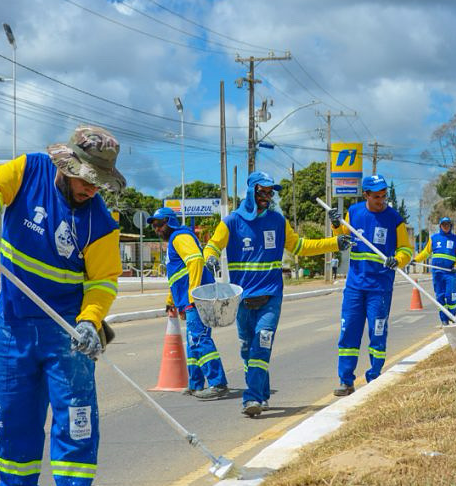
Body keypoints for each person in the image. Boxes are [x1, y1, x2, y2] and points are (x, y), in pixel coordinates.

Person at [0, 125, 124, 486]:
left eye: (98, 183)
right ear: (67, 166)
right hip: (14, 326)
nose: (91, 189)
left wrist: (90, 321)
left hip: (67, 332)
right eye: (86, 179)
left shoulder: (99, 222)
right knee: (14, 416)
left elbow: (103, 281)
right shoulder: (28, 171)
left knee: (75, 419)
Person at [203, 171, 352, 416]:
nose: (267, 196)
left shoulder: (278, 221)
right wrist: (210, 257)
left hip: (270, 296)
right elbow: (213, 245)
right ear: (251, 192)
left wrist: (334, 243)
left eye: (270, 192)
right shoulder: (231, 222)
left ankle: (251, 399)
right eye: (262, 191)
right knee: (247, 350)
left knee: (261, 346)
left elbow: (300, 246)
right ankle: (262, 394)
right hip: (242, 299)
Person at [327, 174, 412, 396]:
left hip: (380, 287)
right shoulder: (354, 213)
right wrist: (336, 224)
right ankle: (346, 381)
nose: (381, 200)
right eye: (376, 197)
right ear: (366, 195)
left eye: (384, 196)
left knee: (378, 332)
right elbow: (342, 238)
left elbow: (406, 249)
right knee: (349, 332)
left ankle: (374, 377)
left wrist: (398, 260)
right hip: (355, 286)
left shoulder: (395, 219)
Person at [148, 207, 228, 400]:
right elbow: (176, 277)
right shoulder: (174, 242)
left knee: (199, 339)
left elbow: (196, 261)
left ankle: (218, 383)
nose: (157, 229)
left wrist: (193, 295)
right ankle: (195, 384)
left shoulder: (179, 236)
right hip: (189, 300)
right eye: (154, 226)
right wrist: (172, 301)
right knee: (193, 342)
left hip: (197, 299)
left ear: (170, 222)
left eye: (159, 224)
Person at [413, 216, 456, 326]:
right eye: (444, 224)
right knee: (440, 296)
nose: (446, 226)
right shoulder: (434, 238)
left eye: (448, 224)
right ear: (440, 226)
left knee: (451, 295)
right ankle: (444, 320)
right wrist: (416, 259)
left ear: (450, 226)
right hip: (437, 273)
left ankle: (452, 315)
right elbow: (425, 252)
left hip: (450, 273)